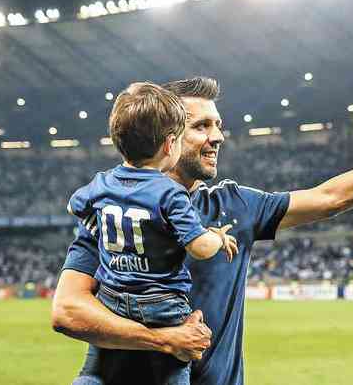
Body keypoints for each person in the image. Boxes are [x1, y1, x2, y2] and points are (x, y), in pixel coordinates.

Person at [52, 76, 353, 385]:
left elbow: (329, 198)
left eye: (218, 125)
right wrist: (163, 340)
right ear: (168, 138)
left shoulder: (235, 205)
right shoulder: (116, 214)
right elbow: (68, 311)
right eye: (202, 126)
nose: (218, 137)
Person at [67, 82, 238, 384]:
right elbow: (198, 247)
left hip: (112, 299)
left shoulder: (101, 183)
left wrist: (101, 229)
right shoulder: (169, 193)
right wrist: (218, 238)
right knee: (174, 369)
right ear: (170, 145)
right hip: (162, 303)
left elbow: (75, 206)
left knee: (96, 370)